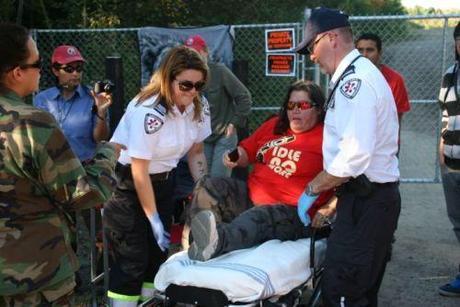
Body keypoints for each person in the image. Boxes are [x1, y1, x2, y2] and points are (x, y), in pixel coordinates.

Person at [0, 23, 120, 306]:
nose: (41, 71)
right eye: (38, 64)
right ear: (17, 73)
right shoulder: (31, 121)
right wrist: (108, 154)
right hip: (32, 278)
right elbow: (82, 193)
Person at [295, 7, 400, 307]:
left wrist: (312, 188)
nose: (312, 57)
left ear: (331, 39)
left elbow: (354, 156)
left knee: (343, 292)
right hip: (363, 198)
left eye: (312, 47)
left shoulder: (356, 83)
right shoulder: (351, 77)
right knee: (358, 292)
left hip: (367, 203)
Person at [104, 46, 211, 306]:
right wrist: (152, 218)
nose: (193, 92)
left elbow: (196, 151)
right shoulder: (149, 110)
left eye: (199, 85)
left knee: (157, 256)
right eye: (185, 85)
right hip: (129, 185)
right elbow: (139, 169)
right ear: (168, 78)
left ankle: (148, 302)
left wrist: (203, 188)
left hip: (165, 181)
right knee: (132, 259)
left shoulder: (198, 105)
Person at [186, 80, 335, 262]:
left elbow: (346, 175)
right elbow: (246, 153)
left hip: (292, 213)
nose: (295, 110)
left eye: (303, 105)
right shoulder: (274, 125)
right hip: (250, 198)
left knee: (261, 215)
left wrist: (330, 206)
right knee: (209, 185)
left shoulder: (329, 137)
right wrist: (232, 156)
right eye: (291, 104)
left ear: (318, 109)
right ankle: (199, 240)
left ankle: (217, 243)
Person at [184, 34, 252, 177]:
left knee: (218, 180)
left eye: (195, 53)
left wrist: (234, 123)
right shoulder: (184, 77)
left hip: (223, 134)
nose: (192, 58)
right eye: (188, 54)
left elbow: (244, 97)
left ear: (205, 52)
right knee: (202, 181)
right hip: (202, 136)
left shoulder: (219, 71)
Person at [34, 45, 111, 162]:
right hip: (52, 170)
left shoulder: (93, 98)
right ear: (55, 71)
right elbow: (38, 138)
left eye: (79, 68)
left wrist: (101, 112)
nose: (75, 73)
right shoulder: (42, 100)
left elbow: (101, 139)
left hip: (85, 168)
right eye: (69, 69)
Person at [438, 21, 460, 297]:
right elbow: (445, 114)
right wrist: (441, 146)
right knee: (458, 223)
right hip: (452, 163)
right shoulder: (450, 74)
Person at [355, 32, 410, 141]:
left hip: (384, 145)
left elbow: (397, 118)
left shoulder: (395, 80)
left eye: (370, 50)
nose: (364, 55)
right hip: (356, 143)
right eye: (360, 50)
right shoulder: (349, 79)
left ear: (380, 53)